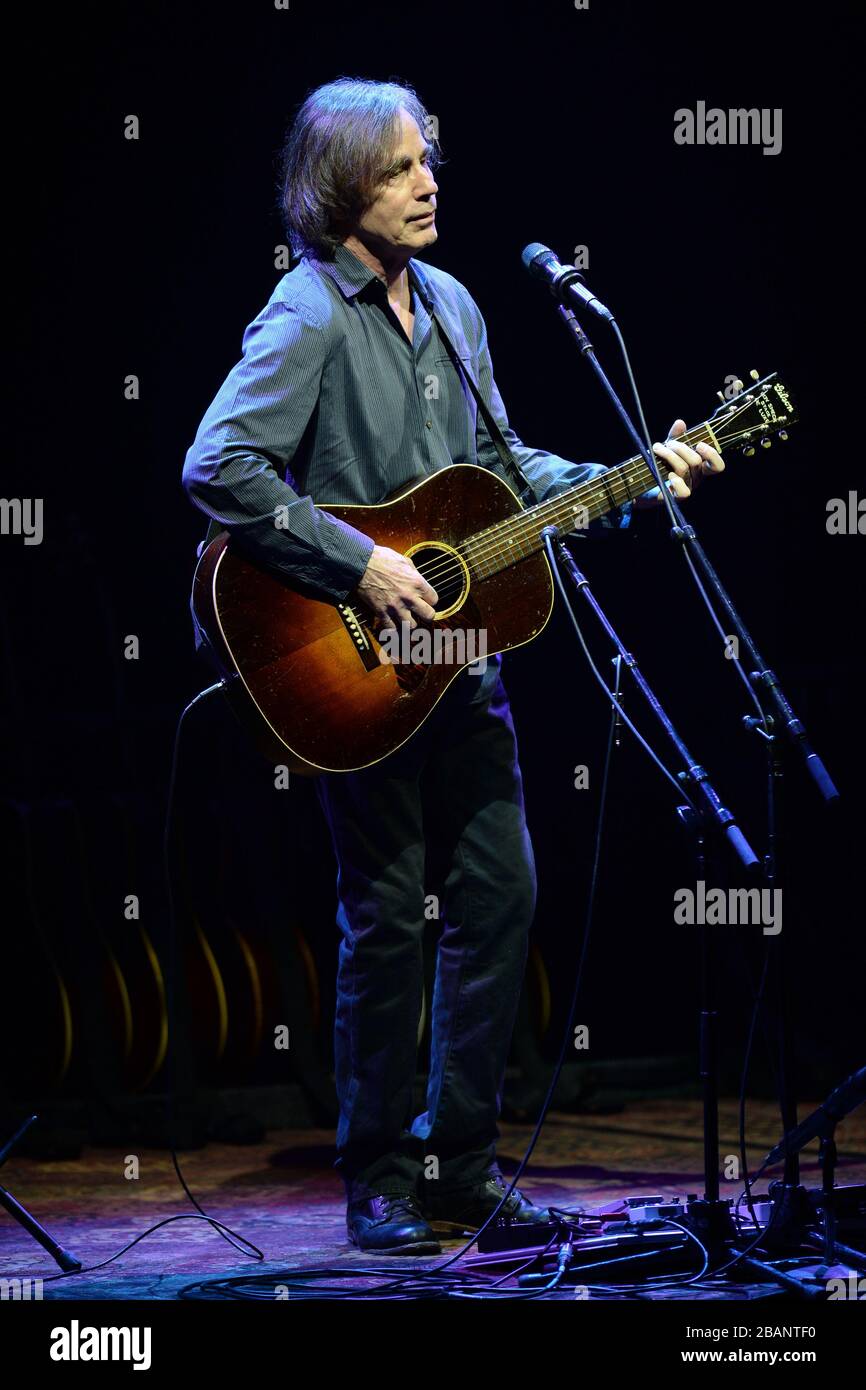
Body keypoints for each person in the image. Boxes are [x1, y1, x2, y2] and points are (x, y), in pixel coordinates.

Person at [183, 77, 724, 1255]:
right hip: (351, 669)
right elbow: (219, 465)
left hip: (458, 666)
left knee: (499, 897)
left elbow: (495, 467)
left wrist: (628, 474)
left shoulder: (457, 306)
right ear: (339, 190)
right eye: (396, 168)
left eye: (428, 159)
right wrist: (356, 567)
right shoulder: (307, 316)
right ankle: (377, 1173)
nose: (427, 183)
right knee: (384, 917)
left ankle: (458, 1164)